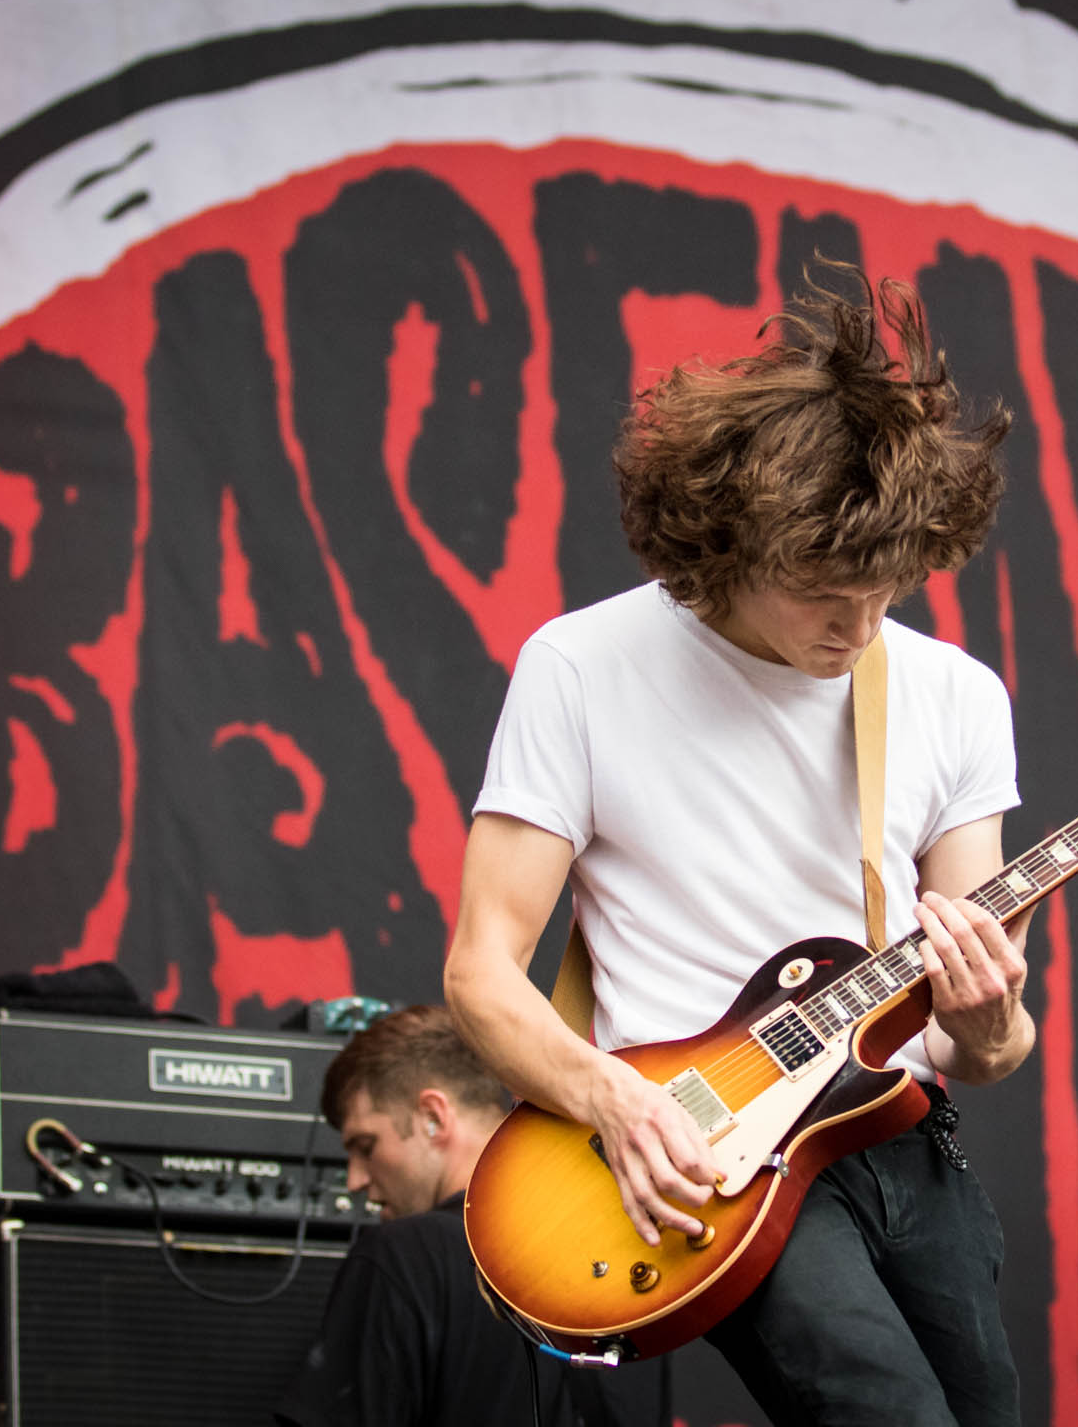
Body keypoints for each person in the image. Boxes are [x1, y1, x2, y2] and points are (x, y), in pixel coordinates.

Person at [443, 265, 1031, 1427]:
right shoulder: (583, 665)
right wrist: (612, 1104)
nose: (857, 628)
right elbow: (479, 972)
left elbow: (994, 1047)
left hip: (896, 1130)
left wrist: (987, 1013)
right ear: (722, 542)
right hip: (708, 1144)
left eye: (887, 589)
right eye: (820, 590)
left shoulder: (958, 697)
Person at [275, 1005, 665, 1427]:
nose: (353, 1179)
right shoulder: (634, 1249)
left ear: (433, 1117)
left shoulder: (402, 1253)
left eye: (366, 1146)